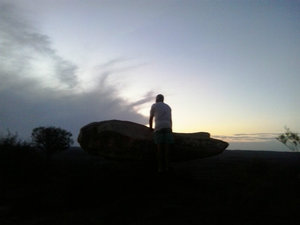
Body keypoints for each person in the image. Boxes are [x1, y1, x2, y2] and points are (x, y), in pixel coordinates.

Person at [149, 94, 174, 173]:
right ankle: (167, 167)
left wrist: (150, 128)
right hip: (168, 128)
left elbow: (151, 117)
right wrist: (170, 129)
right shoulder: (168, 107)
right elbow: (170, 120)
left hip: (159, 128)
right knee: (167, 151)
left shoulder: (154, 105)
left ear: (157, 99)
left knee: (159, 150)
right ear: (163, 99)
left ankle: (160, 168)